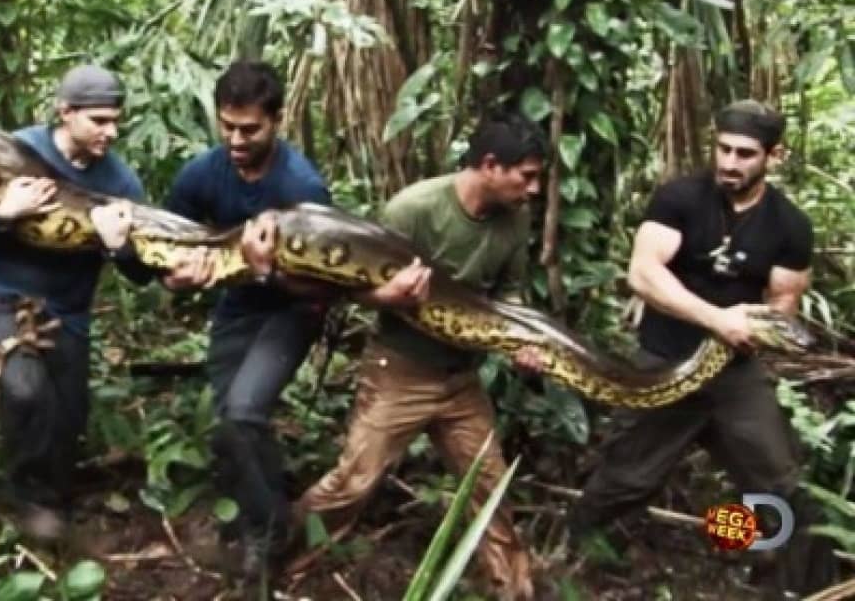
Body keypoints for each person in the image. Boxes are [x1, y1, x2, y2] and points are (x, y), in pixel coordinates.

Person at [561, 100, 837, 595]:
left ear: (774, 157)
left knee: (782, 486)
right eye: (723, 148)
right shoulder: (680, 198)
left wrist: (758, 329)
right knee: (628, 478)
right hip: (664, 361)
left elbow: (783, 302)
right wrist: (717, 320)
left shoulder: (790, 225)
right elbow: (643, 273)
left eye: (746, 154)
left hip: (736, 373)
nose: (730, 163)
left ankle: (796, 582)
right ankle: (572, 560)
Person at [290, 110, 548, 600]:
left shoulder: (516, 217)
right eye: (527, 175)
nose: (533, 189)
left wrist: (523, 338)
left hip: (461, 377)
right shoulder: (414, 209)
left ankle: (513, 592)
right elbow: (351, 288)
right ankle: (275, 560)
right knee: (352, 483)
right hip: (400, 371)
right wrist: (389, 297)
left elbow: (509, 290)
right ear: (491, 165)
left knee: (491, 494)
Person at [159, 60, 334, 581]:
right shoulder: (201, 174)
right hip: (236, 305)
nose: (236, 138)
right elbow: (170, 251)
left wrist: (264, 273)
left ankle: (269, 531)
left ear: (277, 120)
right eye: (227, 126)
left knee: (243, 410)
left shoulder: (302, 186)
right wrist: (178, 277)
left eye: (249, 129)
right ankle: (263, 508)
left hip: (291, 308)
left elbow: (325, 288)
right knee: (228, 422)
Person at [0, 63, 153, 540]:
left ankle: (57, 504)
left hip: (70, 311)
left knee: (68, 414)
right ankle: (31, 506)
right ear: (64, 113)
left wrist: (119, 245)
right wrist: (5, 216)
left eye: (116, 120)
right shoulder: (19, 150)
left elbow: (140, 275)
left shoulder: (121, 183)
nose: (110, 132)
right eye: (99, 121)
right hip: (6, 297)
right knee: (26, 390)